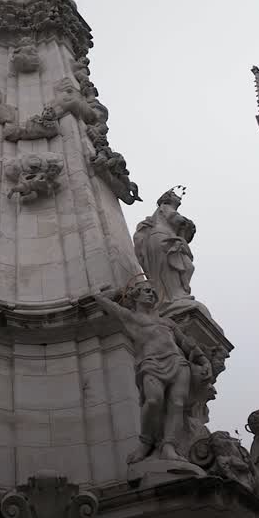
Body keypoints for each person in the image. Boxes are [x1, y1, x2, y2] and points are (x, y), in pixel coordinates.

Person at [94, 281, 210, 465]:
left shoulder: (166, 321)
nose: (151, 295)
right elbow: (99, 299)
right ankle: (146, 443)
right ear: (136, 295)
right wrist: (118, 291)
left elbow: (185, 342)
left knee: (177, 404)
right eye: (147, 291)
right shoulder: (130, 317)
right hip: (150, 362)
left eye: (153, 293)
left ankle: (169, 446)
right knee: (153, 400)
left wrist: (203, 360)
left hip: (178, 362)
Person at [133, 190, 197, 307]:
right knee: (170, 267)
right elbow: (178, 220)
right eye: (174, 195)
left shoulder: (162, 210)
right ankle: (174, 297)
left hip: (166, 238)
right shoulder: (166, 207)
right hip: (162, 239)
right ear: (167, 198)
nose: (178, 196)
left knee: (185, 266)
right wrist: (189, 224)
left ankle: (174, 295)